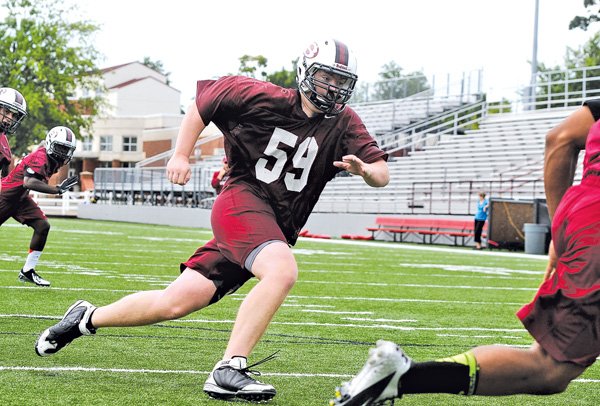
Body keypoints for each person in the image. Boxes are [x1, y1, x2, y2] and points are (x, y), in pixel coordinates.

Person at [34, 38, 389, 403]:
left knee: (174, 303)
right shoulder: (260, 96)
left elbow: (381, 173)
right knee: (281, 270)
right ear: (305, 72)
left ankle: (85, 318)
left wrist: (364, 171)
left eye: (341, 81)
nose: (333, 88)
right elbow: (204, 103)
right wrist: (181, 154)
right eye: (326, 77)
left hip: (273, 224)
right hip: (242, 201)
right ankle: (229, 367)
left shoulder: (345, 122)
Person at [329, 100, 600, 405]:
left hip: (586, 217)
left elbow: (560, 138)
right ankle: (399, 378)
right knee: (551, 367)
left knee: (551, 368)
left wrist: (562, 225)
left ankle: (399, 378)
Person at [0, 126, 78, 287]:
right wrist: (57, 189)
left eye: (66, 149)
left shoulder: (53, 160)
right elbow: (29, 182)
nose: (63, 152)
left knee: (42, 226)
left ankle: (28, 271)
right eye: (60, 147)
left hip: (20, 199)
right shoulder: (41, 156)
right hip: (6, 196)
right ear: (50, 143)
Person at [0, 87, 28, 190]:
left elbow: (5, 183)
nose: (10, 118)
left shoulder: (4, 144)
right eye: (6, 112)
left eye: (14, 115)